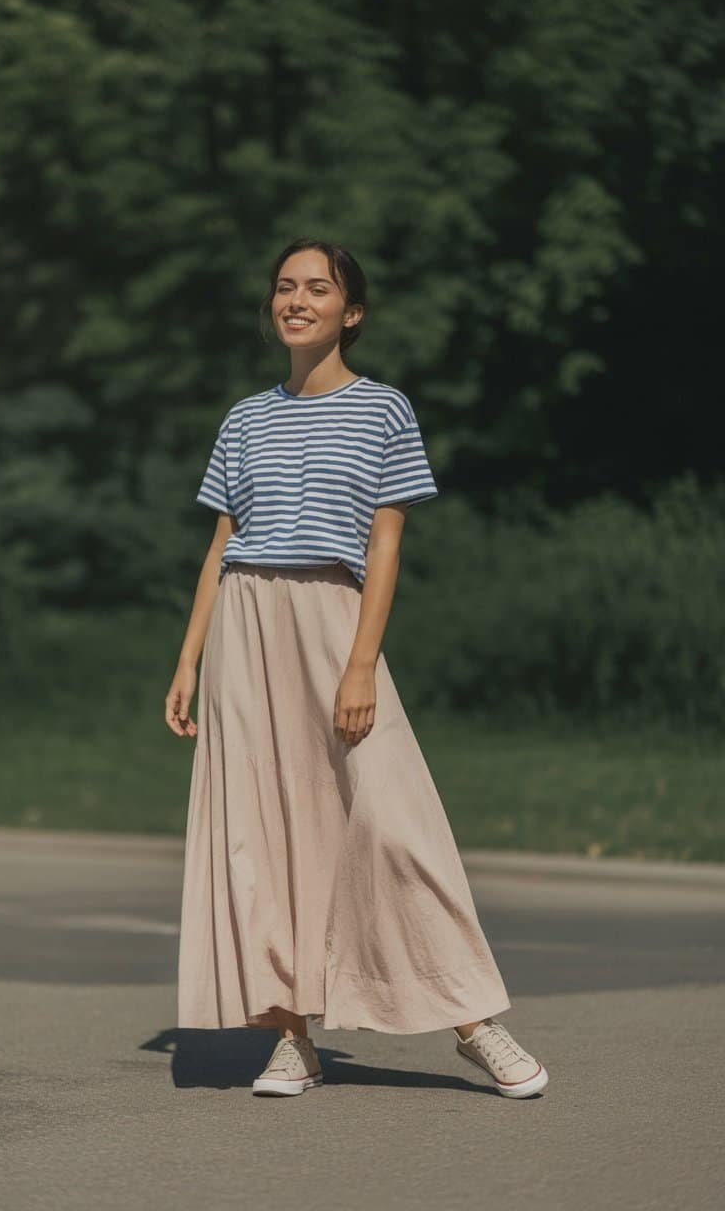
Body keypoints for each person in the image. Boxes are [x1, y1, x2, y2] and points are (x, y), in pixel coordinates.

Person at [166, 237, 549, 1100]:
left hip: (334, 622)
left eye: (317, 288)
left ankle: (472, 1022)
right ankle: (292, 1038)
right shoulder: (244, 417)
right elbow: (222, 547)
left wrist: (361, 663)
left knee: (391, 820)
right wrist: (188, 659)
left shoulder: (384, 409)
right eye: (284, 287)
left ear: (353, 311)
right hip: (245, 627)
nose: (296, 300)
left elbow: (384, 546)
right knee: (262, 834)